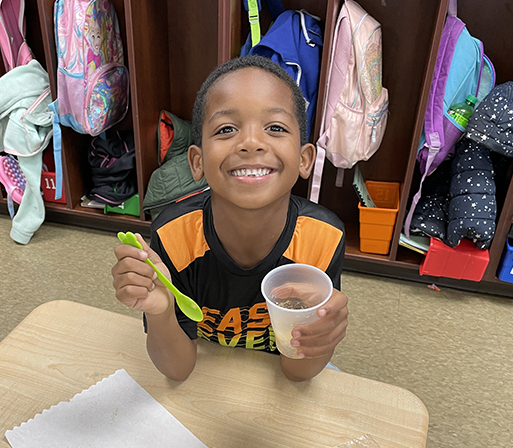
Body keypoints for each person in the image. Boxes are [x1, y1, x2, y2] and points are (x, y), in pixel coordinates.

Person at [111, 55, 349, 382]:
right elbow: (177, 370)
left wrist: (321, 333)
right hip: (207, 370)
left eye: (275, 128)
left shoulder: (323, 237)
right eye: (226, 129)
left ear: (305, 159)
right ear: (197, 162)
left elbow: (297, 373)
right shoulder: (173, 234)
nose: (251, 143)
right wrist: (162, 311)